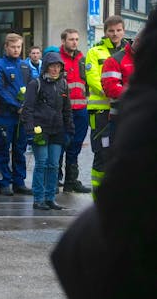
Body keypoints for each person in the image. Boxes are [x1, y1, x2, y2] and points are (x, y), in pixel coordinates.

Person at [50, 5, 157, 299]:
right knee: (99, 162)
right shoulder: (102, 56)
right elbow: (105, 81)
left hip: (112, 114)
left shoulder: (130, 58)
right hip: (103, 113)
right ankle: (88, 190)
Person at [22, 51, 73, 210]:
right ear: (46, 67)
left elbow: (67, 109)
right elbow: (28, 108)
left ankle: (50, 197)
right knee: (42, 163)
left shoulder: (63, 84)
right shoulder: (35, 84)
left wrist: (69, 128)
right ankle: (38, 198)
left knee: (53, 165)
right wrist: (30, 128)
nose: (55, 69)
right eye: (52, 66)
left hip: (57, 129)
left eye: (58, 66)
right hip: (40, 130)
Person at [83, 15, 129, 194]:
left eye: (118, 30)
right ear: (105, 32)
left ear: (123, 30)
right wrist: (111, 92)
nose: (115, 34)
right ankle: (99, 196)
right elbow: (93, 77)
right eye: (111, 31)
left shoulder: (129, 52)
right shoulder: (95, 52)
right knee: (102, 153)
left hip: (124, 110)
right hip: (100, 110)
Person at [0, 33, 32, 196]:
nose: (16, 50)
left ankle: (19, 182)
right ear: (6, 47)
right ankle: (4, 182)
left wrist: (27, 105)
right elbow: (0, 91)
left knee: (20, 149)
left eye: (19, 47)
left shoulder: (24, 66)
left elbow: (31, 87)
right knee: (3, 149)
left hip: (21, 116)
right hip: (4, 114)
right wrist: (16, 105)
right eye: (13, 47)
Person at [57, 29, 92, 193]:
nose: (75, 42)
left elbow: (87, 83)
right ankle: (55, 180)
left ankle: (71, 181)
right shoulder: (57, 60)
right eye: (71, 39)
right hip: (63, 111)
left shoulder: (82, 59)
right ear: (63, 41)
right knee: (60, 144)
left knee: (76, 145)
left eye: (77, 39)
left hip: (81, 110)